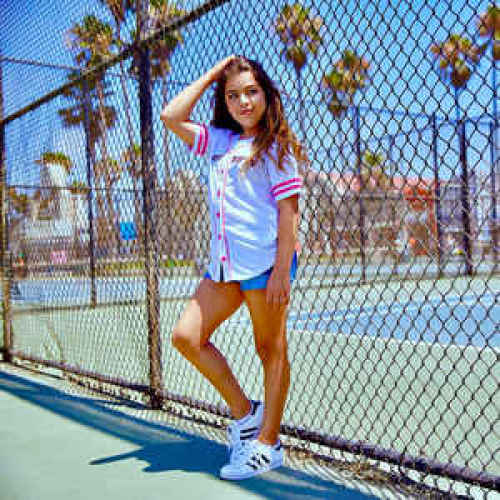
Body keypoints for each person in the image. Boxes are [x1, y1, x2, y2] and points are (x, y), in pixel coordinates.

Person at [161, 55, 307, 480]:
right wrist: (213, 74)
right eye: (233, 95)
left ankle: (268, 443)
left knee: (270, 350)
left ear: (266, 95)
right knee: (186, 337)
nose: (243, 101)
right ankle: (246, 415)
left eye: (251, 92)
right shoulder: (220, 141)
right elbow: (171, 116)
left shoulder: (276, 146)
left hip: (265, 265)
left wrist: (281, 270)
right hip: (224, 269)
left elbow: (289, 213)